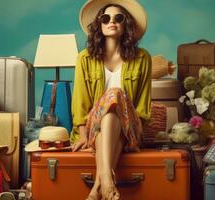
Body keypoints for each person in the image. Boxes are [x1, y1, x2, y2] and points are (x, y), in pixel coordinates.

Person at [71, 0, 151, 199]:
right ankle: (102, 185)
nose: (111, 22)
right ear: (99, 24)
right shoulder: (84, 58)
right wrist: (82, 135)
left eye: (118, 18)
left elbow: (143, 104)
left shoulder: (142, 58)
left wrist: (136, 130)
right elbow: (80, 101)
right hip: (93, 127)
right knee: (109, 111)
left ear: (126, 25)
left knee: (115, 96)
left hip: (128, 127)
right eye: (105, 18)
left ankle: (100, 184)